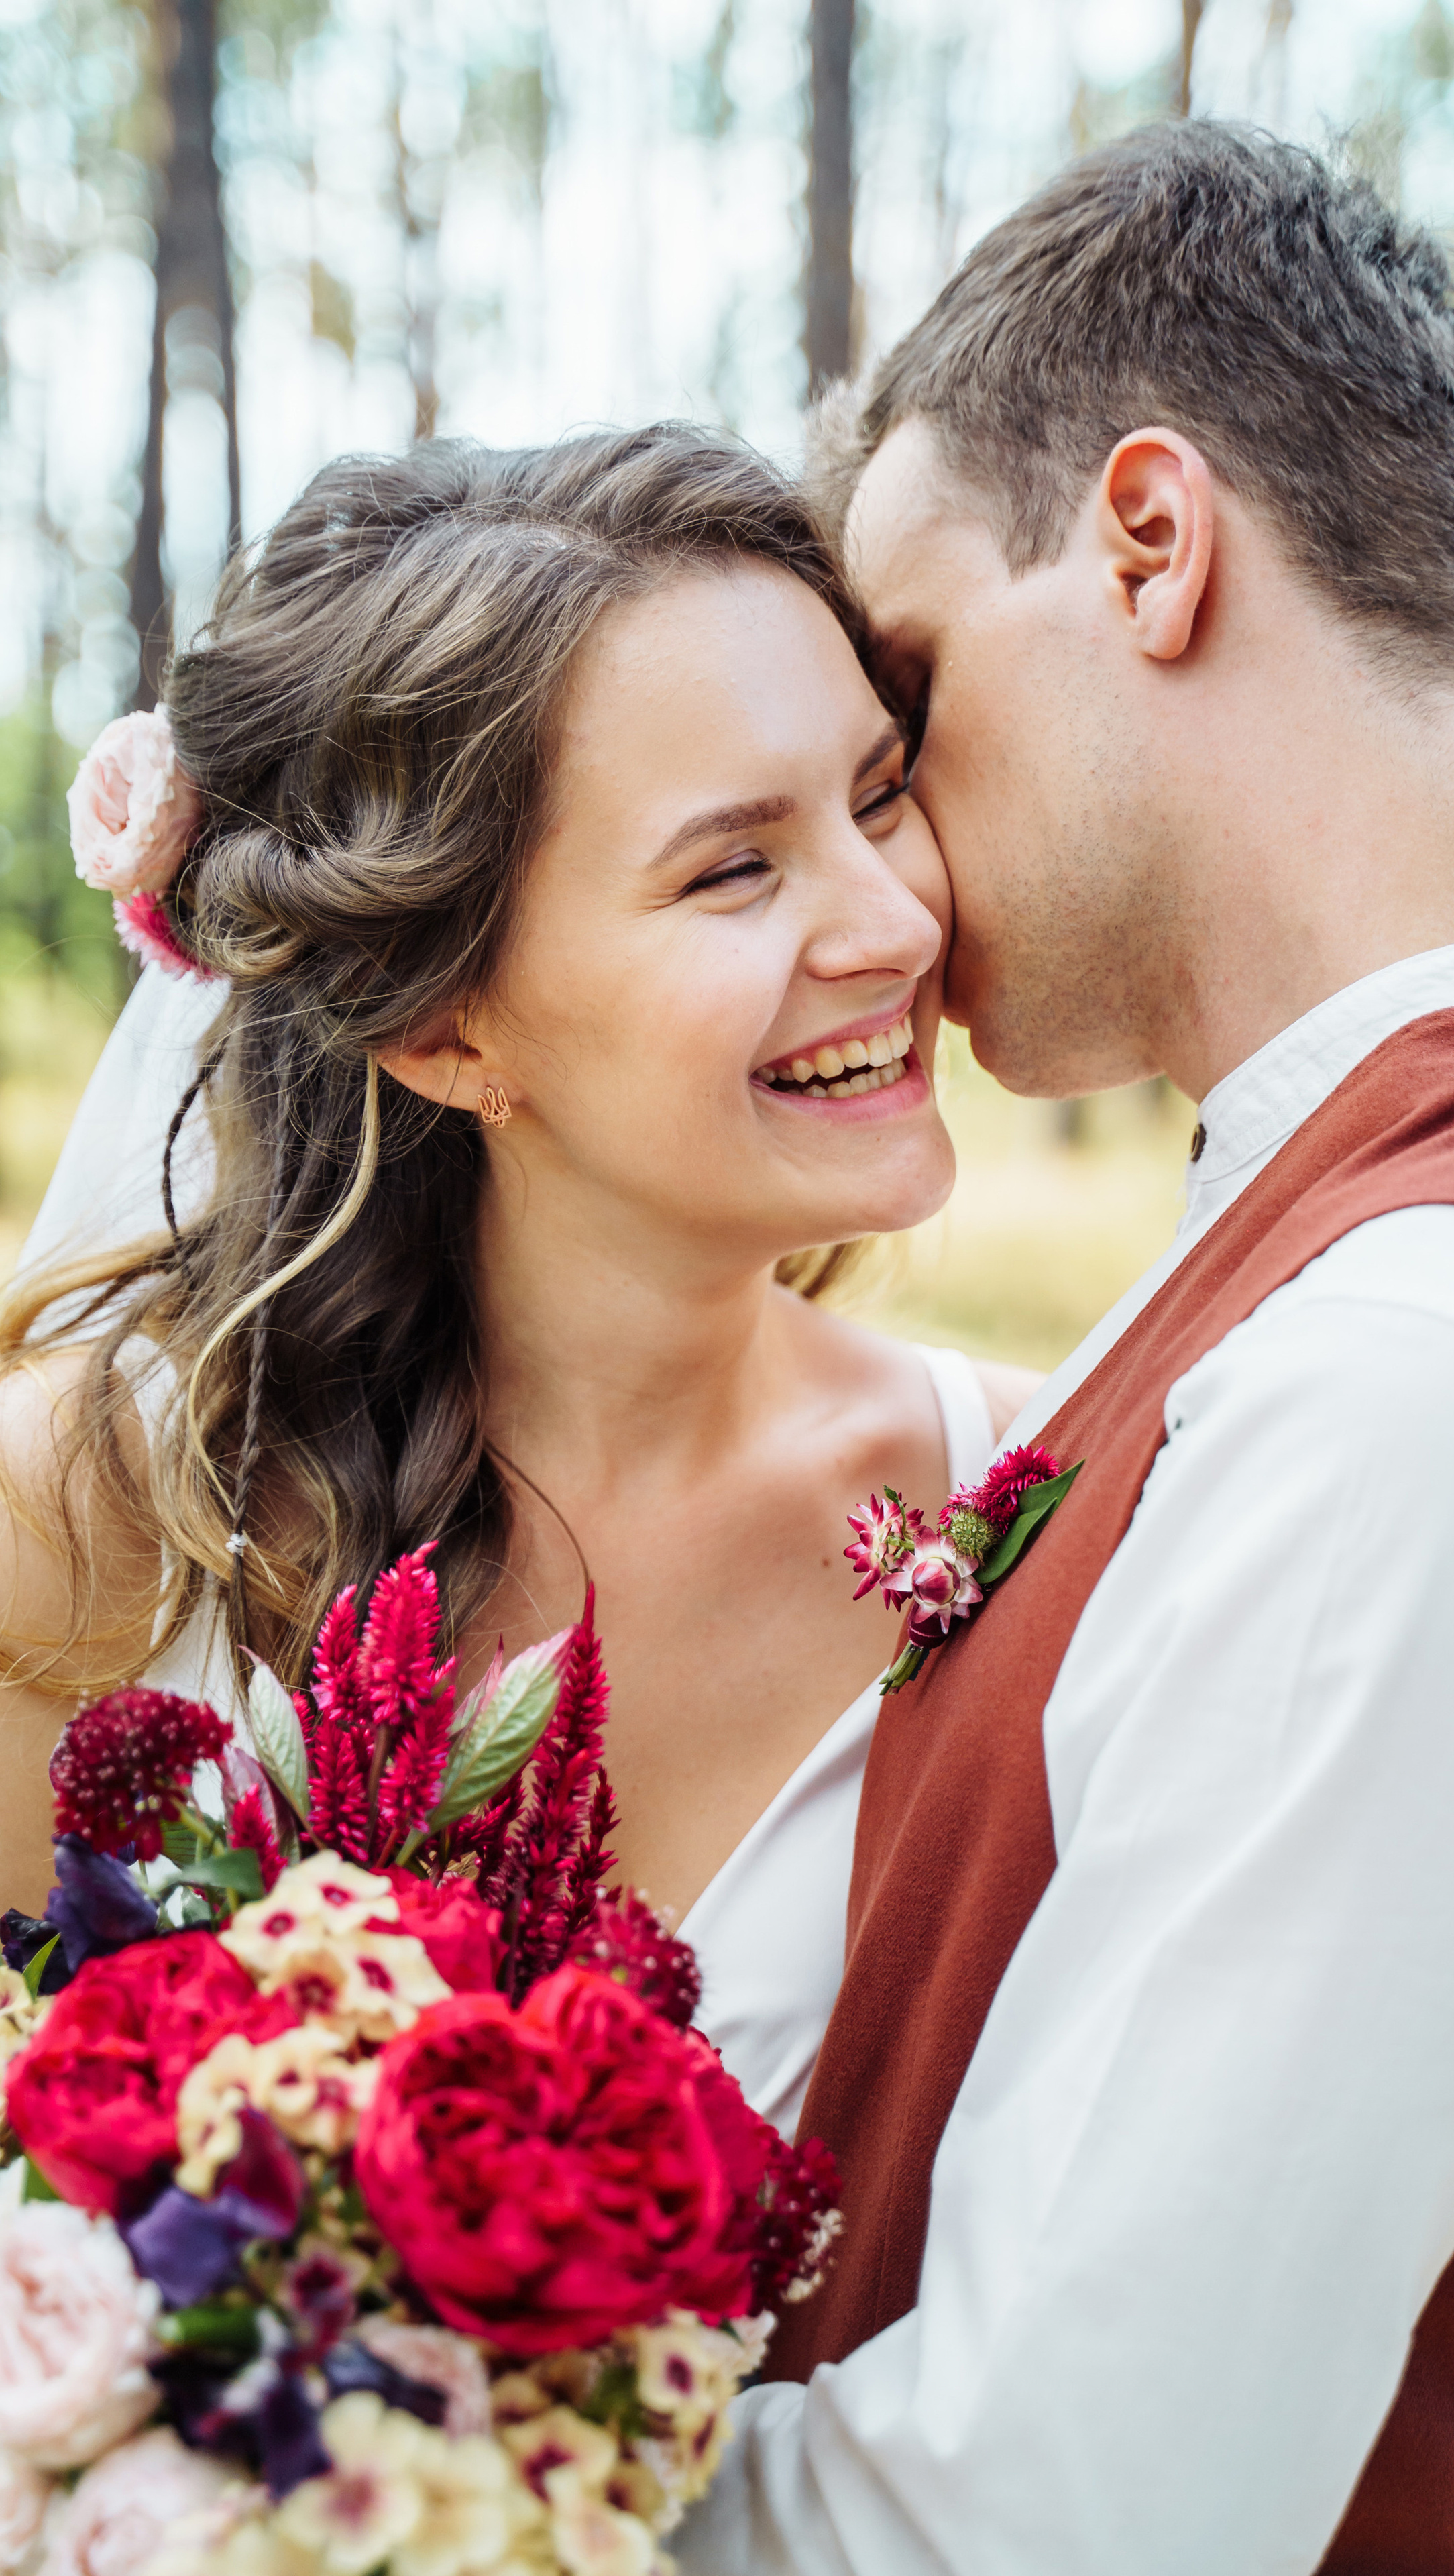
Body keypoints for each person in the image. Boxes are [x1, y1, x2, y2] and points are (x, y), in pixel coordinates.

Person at [677, 123, 1454, 2575]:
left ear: (1154, 544)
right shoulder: (1414, 1212)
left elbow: (1050, 2523)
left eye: (911, 698)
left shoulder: (1433, 1378)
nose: (897, 857)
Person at [0, 425, 1037, 2135]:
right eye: (733, 866)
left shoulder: (1021, 1508)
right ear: (443, 1025)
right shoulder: (85, 1519)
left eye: (878, 793)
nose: (896, 924)